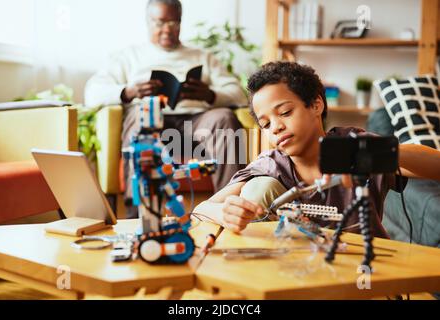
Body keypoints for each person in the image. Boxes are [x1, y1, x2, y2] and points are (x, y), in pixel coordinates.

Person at [194, 61, 440, 238]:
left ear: (316, 105)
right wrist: (224, 213)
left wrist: (381, 151)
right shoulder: (271, 165)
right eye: (266, 124)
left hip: (363, 271)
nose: (276, 127)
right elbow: (201, 209)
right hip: (298, 272)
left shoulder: (354, 144)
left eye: (285, 113)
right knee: (258, 188)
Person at [85, 0, 248, 218]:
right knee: (141, 115)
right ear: (147, 22)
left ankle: (230, 207)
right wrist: (130, 91)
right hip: (153, 122)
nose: (167, 29)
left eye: (174, 22)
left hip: (197, 124)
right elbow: (92, 93)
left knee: (225, 118)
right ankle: (138, 216)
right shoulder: (128, 57)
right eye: (160, 22)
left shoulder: (202, 56)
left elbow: (239, 93)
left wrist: (210, 95)